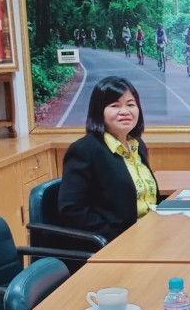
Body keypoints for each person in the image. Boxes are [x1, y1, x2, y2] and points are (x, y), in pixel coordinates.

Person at [57, 76, 157, 244]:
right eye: (115, 106)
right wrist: (116, 239)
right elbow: (72, 209)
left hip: (148, 233)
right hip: (116, 242)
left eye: (130, 104)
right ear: (99, 111)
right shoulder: (85, 150)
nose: (125, 111)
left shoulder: (136, 144)